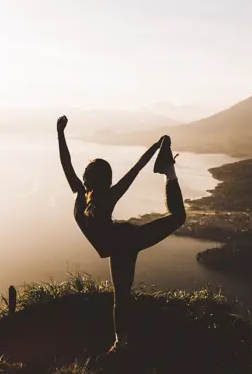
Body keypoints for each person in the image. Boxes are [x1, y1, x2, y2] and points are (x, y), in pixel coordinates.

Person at [56, 115, 187, 354]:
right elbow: (69, 163)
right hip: (120, 244)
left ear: (89, 177)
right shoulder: (90, 193)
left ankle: (169, 171)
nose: (84, 176)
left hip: (125, 242)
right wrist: (60, 134)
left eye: (88, 174)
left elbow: (135, 168)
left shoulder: (84, 193)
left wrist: (60, 133)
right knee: (121, 297)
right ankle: (120, 344)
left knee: (122, 297)